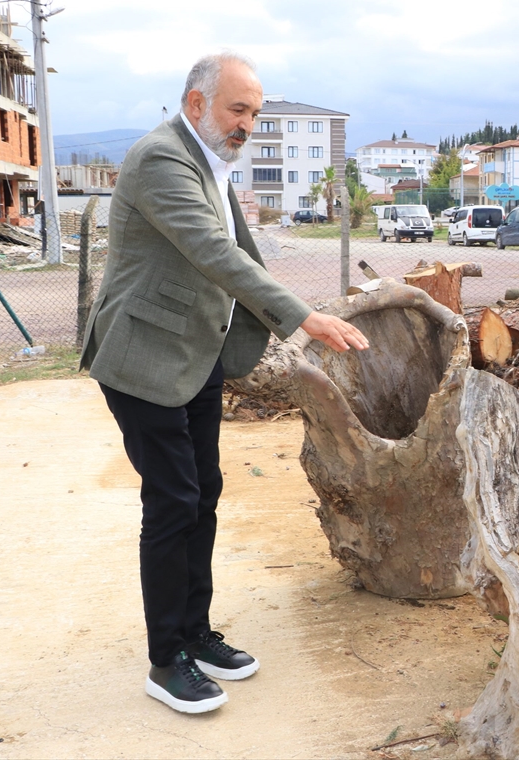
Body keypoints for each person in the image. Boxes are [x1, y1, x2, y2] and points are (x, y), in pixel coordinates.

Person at [79, 52, 368, 715]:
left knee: (203, 491)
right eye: (238, 110)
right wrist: (301, 315)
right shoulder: (161, 159)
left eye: (255, 114)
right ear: (197, 102)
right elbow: (215, 252)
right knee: (174, 500)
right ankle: (165, 659)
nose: (248, 125)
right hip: (144, 358)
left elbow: (235, 253)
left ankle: (196, 632)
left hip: (196, 354)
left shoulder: (209, 159)